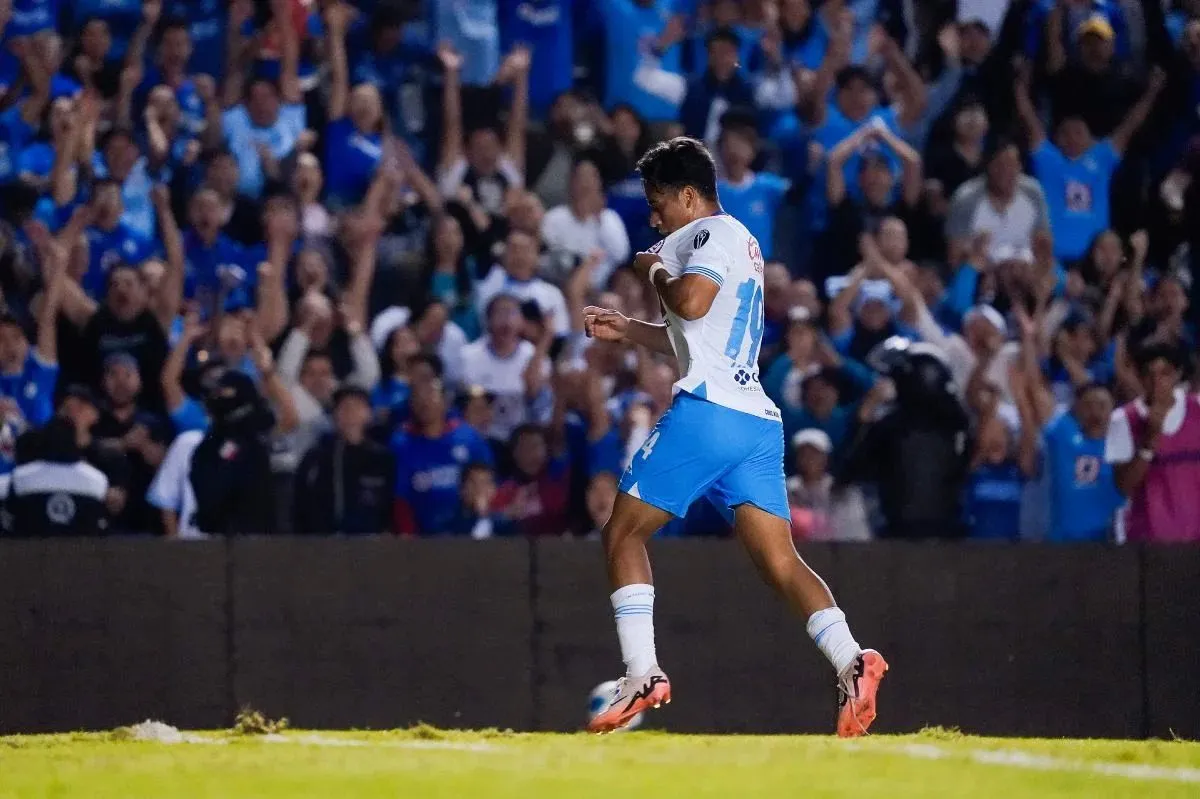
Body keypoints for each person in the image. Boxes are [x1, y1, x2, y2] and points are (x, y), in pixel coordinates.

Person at [581, 137, 885, 736]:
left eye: (658, 202)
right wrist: (633, 330)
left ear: (689, 196)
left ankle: (642, 672)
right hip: (754, 422)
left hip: (711, 415)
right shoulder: (733, 240)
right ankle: (852, 661)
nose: (653, 217)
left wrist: (657, 268)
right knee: (780, 561)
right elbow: (698, 337)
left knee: (622, 532)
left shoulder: (708, 236)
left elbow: (691, 303)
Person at [1105, 340, 1200, 542]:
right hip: (1145, 539)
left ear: (1176, 375)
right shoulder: (1123, 420)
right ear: (1139, 378)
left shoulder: (1197, 409)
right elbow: (1124, 485)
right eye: (1149, 375)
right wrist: (1150, 439)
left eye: (1164, 373)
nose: (1157, 382)